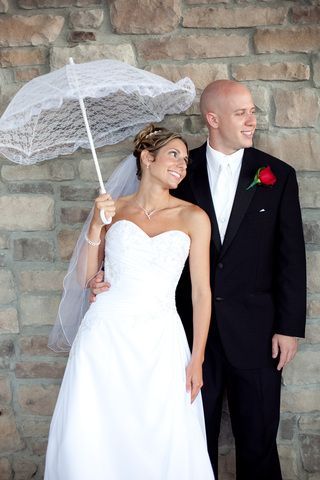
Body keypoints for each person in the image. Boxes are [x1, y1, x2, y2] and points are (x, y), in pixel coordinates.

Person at [90, 80, 306, 480]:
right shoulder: (177, 170)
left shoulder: (278, 175)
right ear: (212, 118)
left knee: (258, 440)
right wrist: (107, 273)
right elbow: (145, 232)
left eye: (252, 111)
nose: (252, 120)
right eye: (242, 112)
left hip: (257, 332)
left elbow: (290, 256)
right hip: (184, 335)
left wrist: (288, 328)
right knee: (191, 440)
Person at [45, 125, 215, 480]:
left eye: (185, 160)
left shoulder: (193, 217)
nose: (182, 165)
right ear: (147, 158)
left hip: (161, 339)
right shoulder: (114, 209)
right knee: (96, 429)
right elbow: (84, 278)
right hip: (105, 333)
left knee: (158, 433)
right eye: (174, 155)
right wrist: (95, 225)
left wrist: (197, 357)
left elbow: (201, 293)